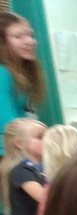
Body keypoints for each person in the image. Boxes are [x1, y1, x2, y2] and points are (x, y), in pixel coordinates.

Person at [0, 11, 43, 143]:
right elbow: (7, 122)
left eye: (30, 35)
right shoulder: (2, 73)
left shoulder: (20, 73)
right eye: (18, 37)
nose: (30, 41)